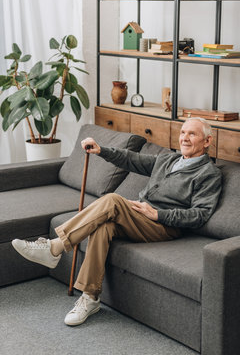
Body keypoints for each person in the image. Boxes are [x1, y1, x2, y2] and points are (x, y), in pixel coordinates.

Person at [12, 117, 222, 327]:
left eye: (192, 134)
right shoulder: (169, 160)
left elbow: (200, 215)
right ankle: (90, 297)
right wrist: (101, 150)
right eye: (183, 132)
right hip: (140, 216)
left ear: (207, 141)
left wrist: (158, 214)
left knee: (113, 200)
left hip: (165, 226)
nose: (184, 138)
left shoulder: (209, 174)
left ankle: (55, 247)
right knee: (103, 226)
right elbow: (132, 160)